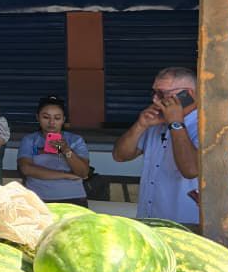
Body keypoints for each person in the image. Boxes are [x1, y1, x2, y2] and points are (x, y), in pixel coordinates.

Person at [113, 67, 200, 224]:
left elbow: (191, 170)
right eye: (154, 93)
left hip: (186, 224)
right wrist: (141, 125)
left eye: (162, 94)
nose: (155, 100)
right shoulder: (157, 122)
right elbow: (120, 156)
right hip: (149, 220)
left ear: (188, 94)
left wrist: (176, 123)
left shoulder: (206, 127)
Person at [17, 96, 92, 205]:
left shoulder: (75, 140)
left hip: (73, 197)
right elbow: (26, 169)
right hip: (36, 198)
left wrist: (66, 150)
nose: (51, 122)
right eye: (46, 117)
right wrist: (66, 175)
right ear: (37, 117)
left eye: (57, 118)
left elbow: (83, 172)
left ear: (63, 120)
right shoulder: (30, 140)